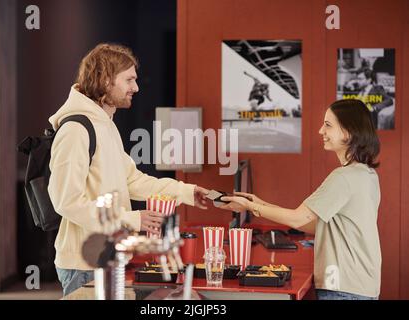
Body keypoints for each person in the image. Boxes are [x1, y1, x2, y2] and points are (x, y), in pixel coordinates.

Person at [48, 43, 209, 296]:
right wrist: (132, 219)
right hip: (85, 264)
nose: (136, 87)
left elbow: (134, 180)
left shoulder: (105, 124)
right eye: (129, 80)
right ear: (105, 80)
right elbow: (67, 202)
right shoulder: (76, 130)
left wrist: (189, 192)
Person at [220, 99, 381, 300]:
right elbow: (318, 225)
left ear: (348, 132)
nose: (321, 131)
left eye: (328, 125)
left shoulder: (344, 177)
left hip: (344, 286)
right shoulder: (366, 174)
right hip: (360, 284)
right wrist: (259, 203)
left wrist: (251, 207)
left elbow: (298, 219)